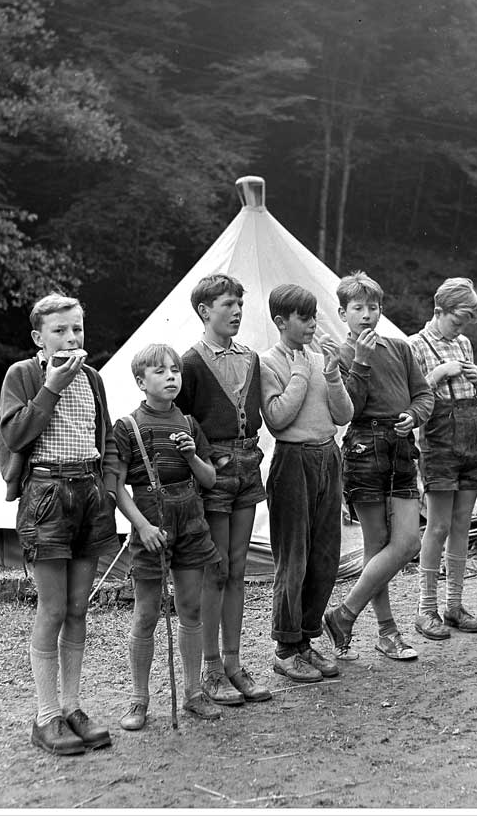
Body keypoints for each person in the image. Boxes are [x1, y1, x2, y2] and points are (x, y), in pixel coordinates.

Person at [0, 292, 119, 756]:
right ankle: (45, 717)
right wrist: (50, 388)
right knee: (51, 610)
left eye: (77, 330)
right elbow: (14, 435)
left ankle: (71, 706)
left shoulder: (92, 378)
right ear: (38, 338)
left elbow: (102, 435)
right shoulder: (23, 375)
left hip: (88, 494)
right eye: (60, 331)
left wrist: (107, 485)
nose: (71, 338)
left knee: (77, 607)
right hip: (46, 495)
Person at [323, 271, 434, 661]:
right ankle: (388, 633)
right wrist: (363, 360)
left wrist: (413, 416)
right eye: (358, 308)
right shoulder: (339, 354)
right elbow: (347, 408)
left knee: (407, 542)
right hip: (364, 446)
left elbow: (424, 394)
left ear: (381, 310)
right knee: (376, 545)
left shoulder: (402, 348)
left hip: (401, 445)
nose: (366, 315)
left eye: (373, 307)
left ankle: (344, 612)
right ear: (343, 313)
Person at [113, 344, 224, 725]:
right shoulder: (128, 427)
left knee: (191, 609)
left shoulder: (190, 424)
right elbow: (115, 486)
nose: (171, 376)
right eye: (160, 372)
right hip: (151, 522)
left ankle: (194, 692)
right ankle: (138, 700)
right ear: (141, 382)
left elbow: (210, 479)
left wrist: (193, 456)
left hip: (191, 519)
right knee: (146, 614)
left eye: (175, 370)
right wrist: (141, 527)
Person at [175, 273, 272, 706]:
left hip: (248, 468)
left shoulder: (251, 358)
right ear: (204, 311)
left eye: (239, 305)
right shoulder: (189, 362)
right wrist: (204, 456)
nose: (235, 312)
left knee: (237, 567)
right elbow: (180, 419)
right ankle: (211, 667)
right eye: (227, 305)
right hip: (214, 473)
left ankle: (234, 663)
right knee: (215, 569)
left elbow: (256, 413)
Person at [260, 284, 353, 682]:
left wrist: (330, 373)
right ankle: (285, 648)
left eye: (314, 316)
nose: (313, 324)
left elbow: (343, 414)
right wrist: (300, 373)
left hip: (328, 456)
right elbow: (277, 417)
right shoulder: (267, 362)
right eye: (304, 317)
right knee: (293, 557)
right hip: (293, 460)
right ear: (281, 322)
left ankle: (306, 640)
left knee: (325, 555)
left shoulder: (321, 359)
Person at [408, 278, 477, 641]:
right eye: (457, 320)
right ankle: (426, 609)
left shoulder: (464, 343)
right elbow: (412, 397)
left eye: (466, 323)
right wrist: (438, 374)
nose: (460, 328)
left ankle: (454, 604)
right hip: (439, 440)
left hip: (470, 437)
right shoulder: (414, 345)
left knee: (463, 522)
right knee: (439, 525)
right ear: (438, 310)